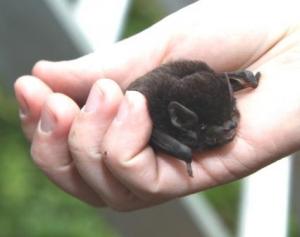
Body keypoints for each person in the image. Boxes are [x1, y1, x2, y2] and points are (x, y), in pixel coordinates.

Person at [14, 0, 300, 211]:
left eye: (231, 117)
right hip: (152, 106)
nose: (230, 129)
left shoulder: (215, 84)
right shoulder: (157, 112)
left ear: (231, 90)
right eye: (217, 126)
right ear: (182, 121)